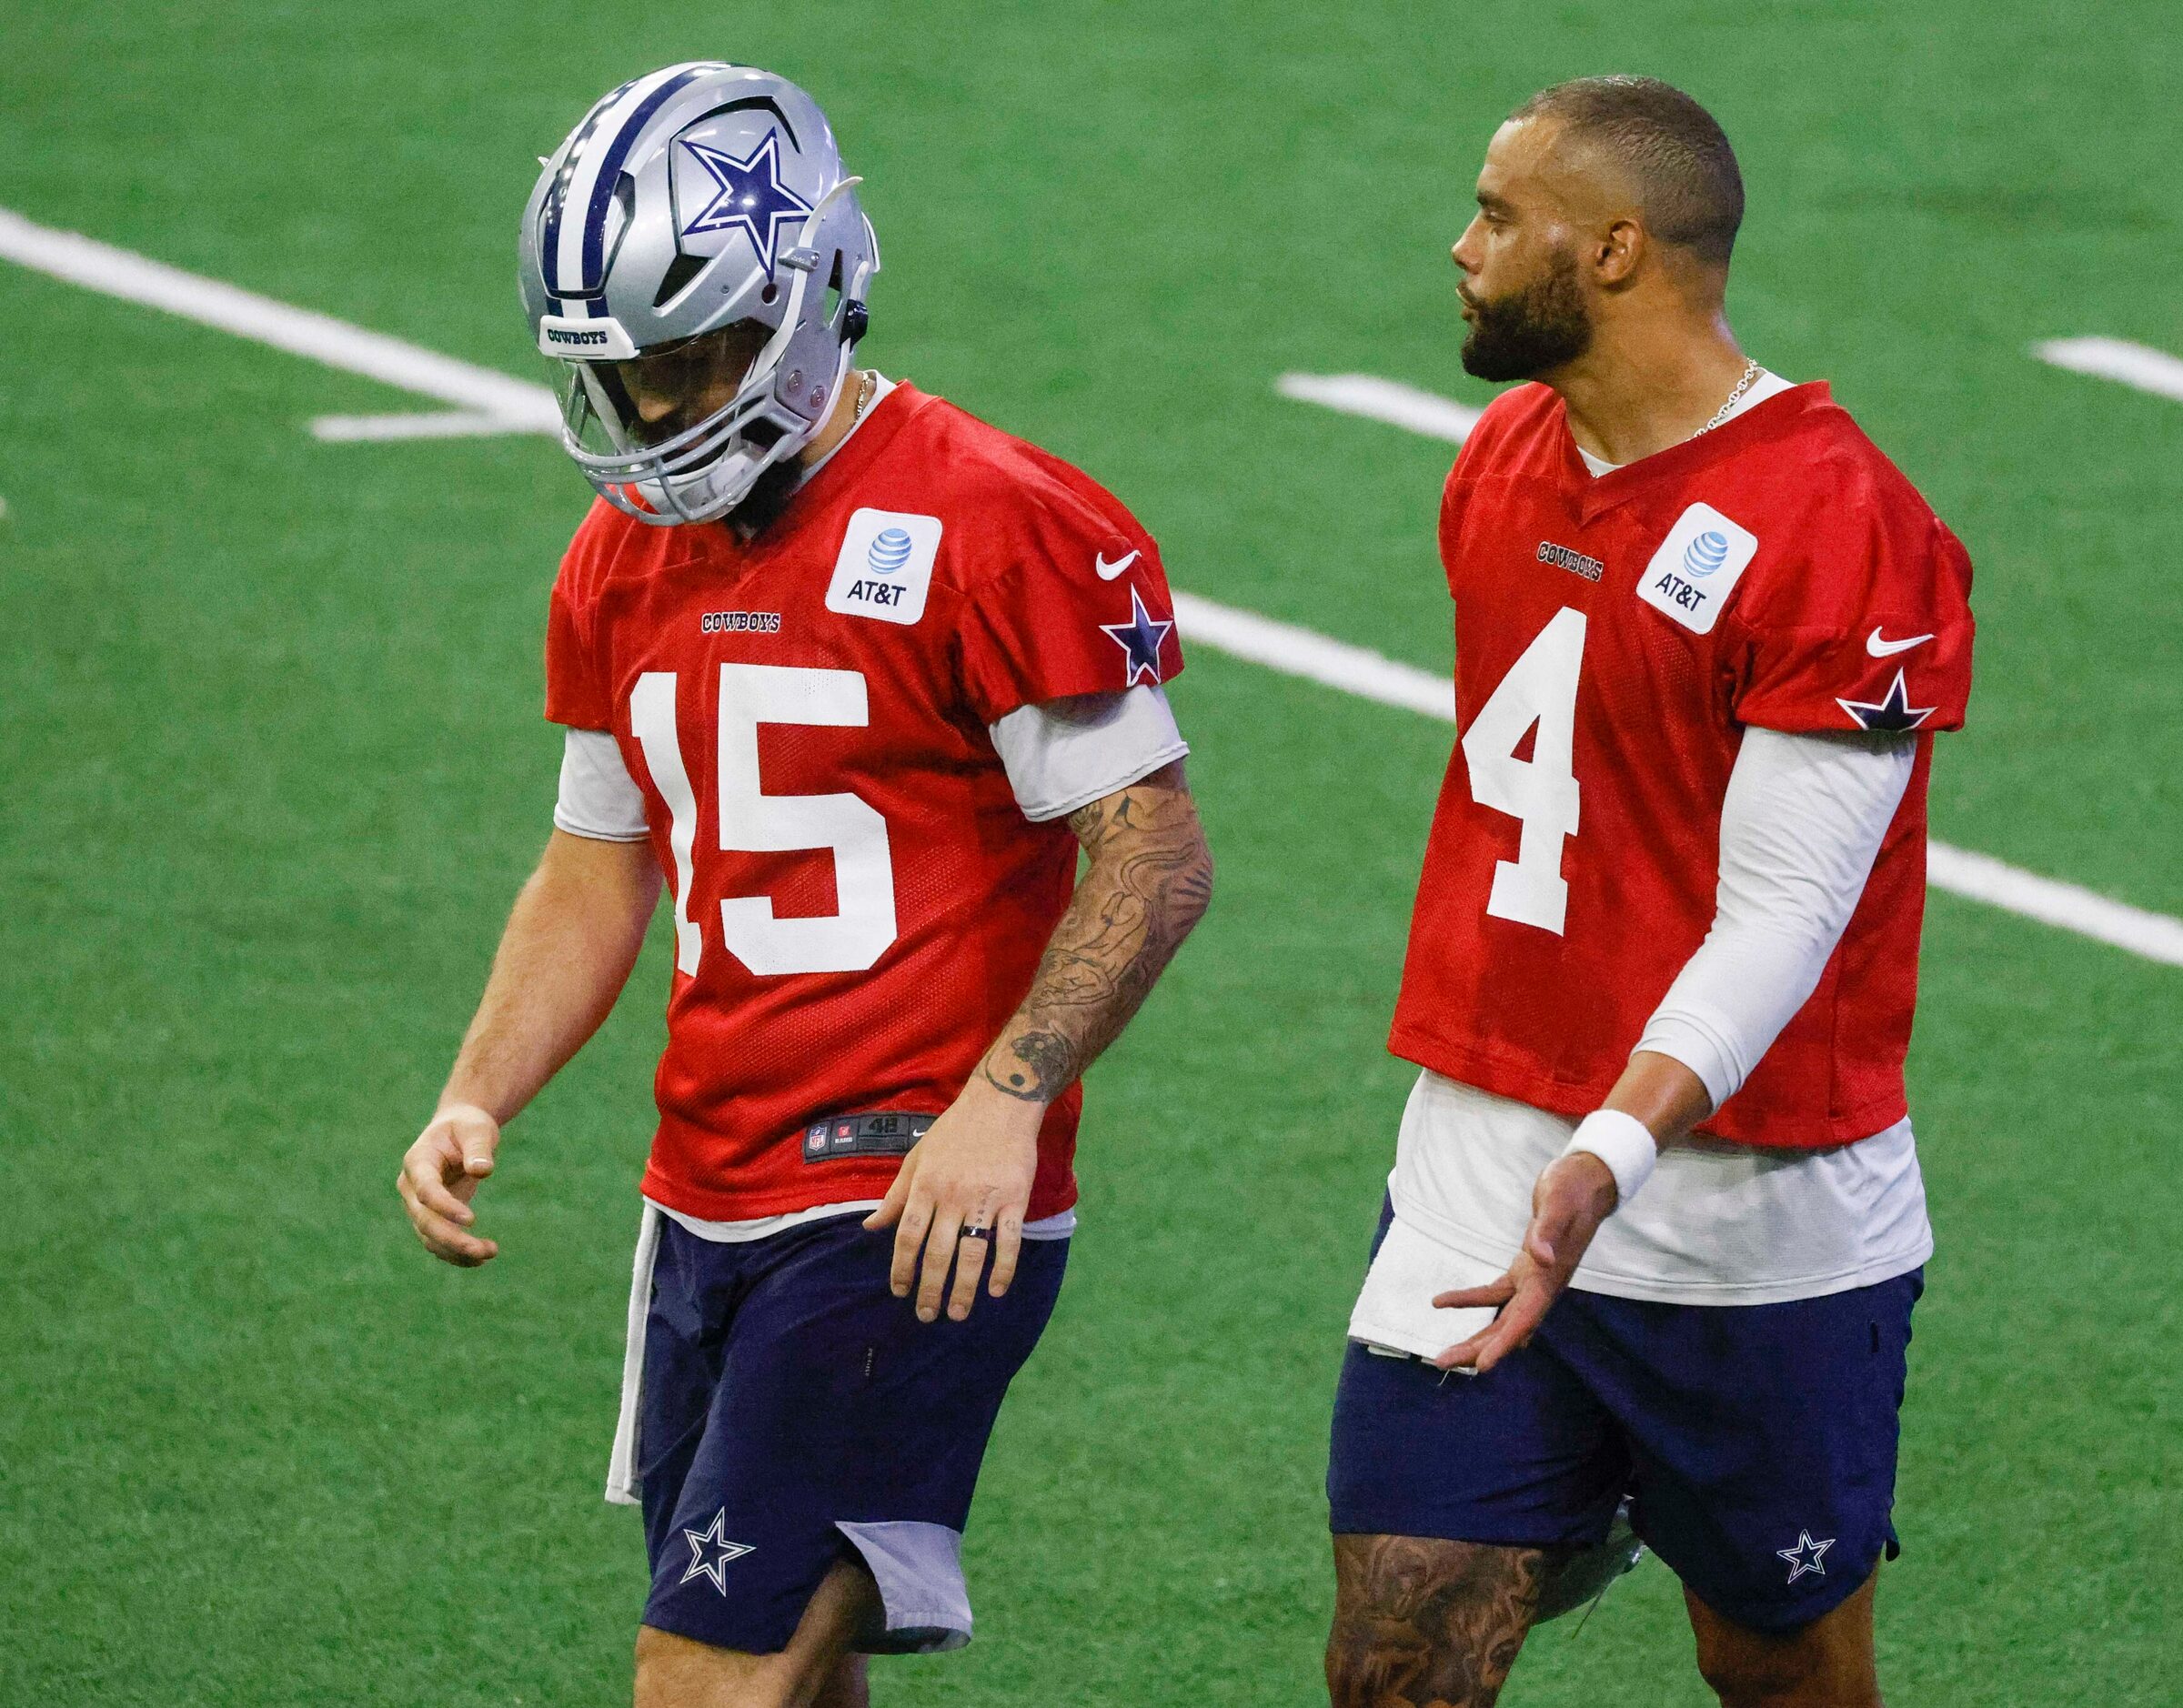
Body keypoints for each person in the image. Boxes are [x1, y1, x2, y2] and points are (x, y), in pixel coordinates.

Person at [392, 62, 1212, 1708]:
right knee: (786, 1679)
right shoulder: (621, 554)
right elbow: (596, 856)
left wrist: (1006, 1100)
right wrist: (480, 1086)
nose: (658, 414)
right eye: (625, 377)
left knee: (701, 1678)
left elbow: (1155, 851)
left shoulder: (994, 517)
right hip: (703, 1186)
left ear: (813, 293)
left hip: (912, 1198)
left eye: (691, 364)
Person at [1323, 75, 1976, 1708]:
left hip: (1751, 1216)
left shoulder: (1845, 529)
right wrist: (1546, 1147)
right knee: (1400, 1640)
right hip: (1487, 1149)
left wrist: (1609, 1151)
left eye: (1498, 215)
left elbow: (1781, 915)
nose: (1460, 247)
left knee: (1777, 1670)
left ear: (1615, 250)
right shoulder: (1504, 460)